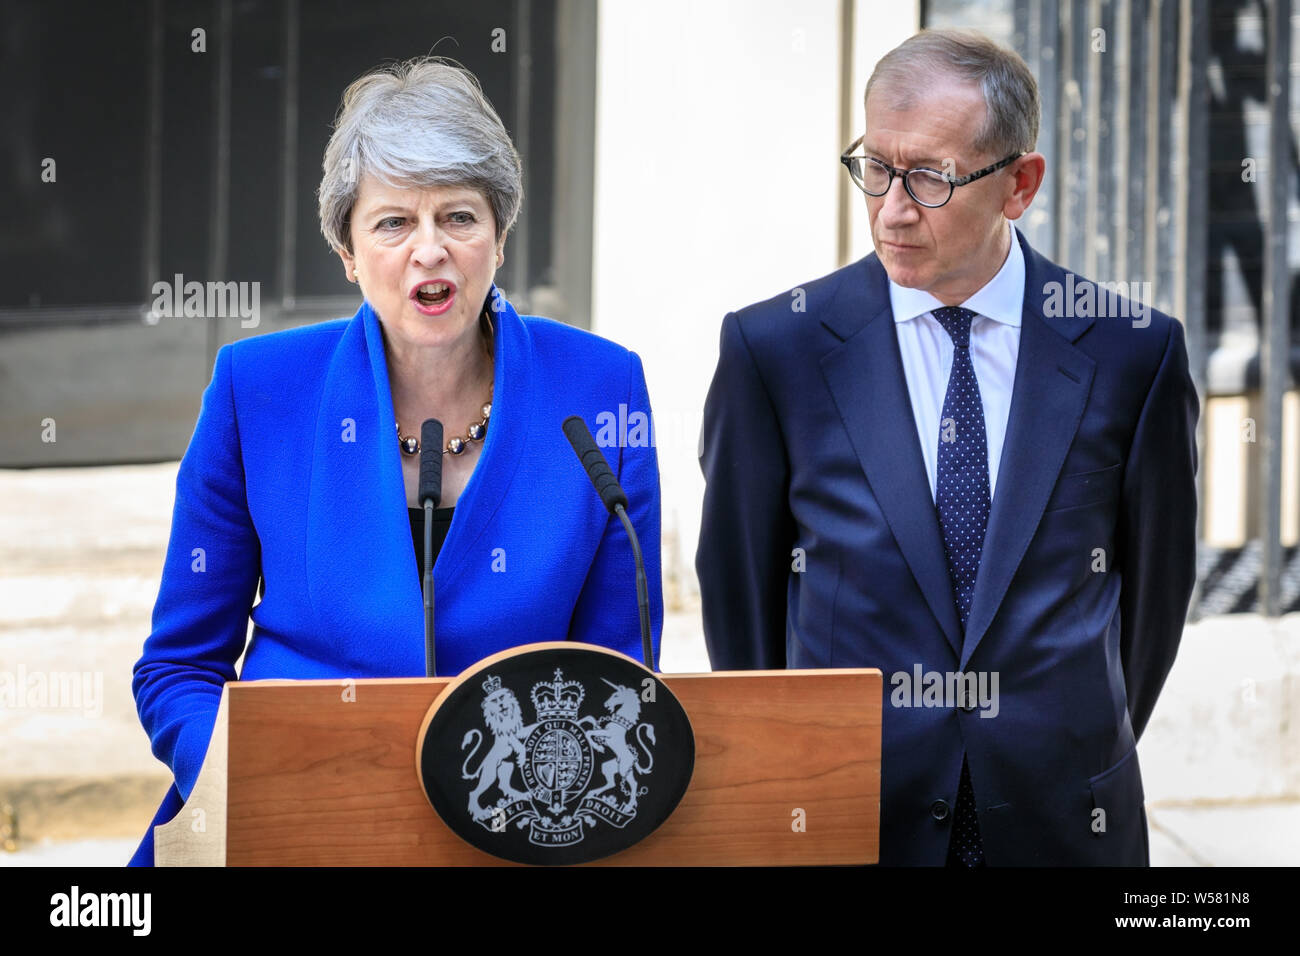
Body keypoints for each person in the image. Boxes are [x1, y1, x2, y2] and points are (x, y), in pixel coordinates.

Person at [129, 57, 662, 866]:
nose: (430, 251)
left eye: (458, 216)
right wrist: (264, 788)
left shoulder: (601, 386)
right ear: (347, 250)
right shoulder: (258, 389)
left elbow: (619, 672)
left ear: (500, 236)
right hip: (283, 827)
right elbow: (178, 668)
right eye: (391, 223)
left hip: (511, 834)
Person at [695, 29, 1198, 866]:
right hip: (845, 814)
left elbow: (1154, 600)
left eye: (928, 177)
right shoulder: (774, 349)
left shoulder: (1132, 351)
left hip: (1065, 817)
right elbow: (740, 602)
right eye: (876, 169)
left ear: (1019, 184)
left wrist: (1070, 743)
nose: (892, 207)